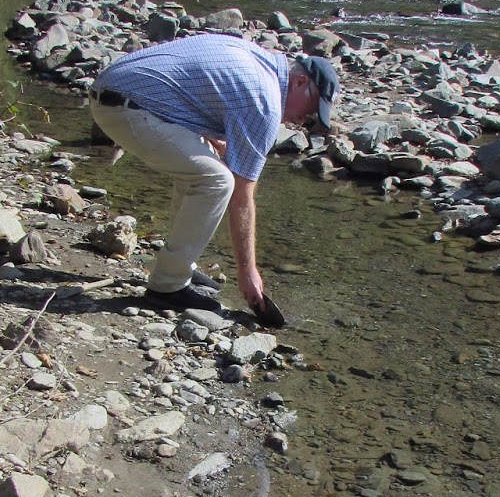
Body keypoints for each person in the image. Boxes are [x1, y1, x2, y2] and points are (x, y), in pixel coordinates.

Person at [88, 34, 338, 316]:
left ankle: (180, 265)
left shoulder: (258, 60)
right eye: (310, 110)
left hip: (114, 89)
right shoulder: (264, 102)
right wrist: (247, 271)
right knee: (217, 181)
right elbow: (242, 196)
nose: (303, 121)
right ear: (300, 82)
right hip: (124, 107)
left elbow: (194, 88)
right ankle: (167, 286)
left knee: (202, 166)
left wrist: (213, 137)